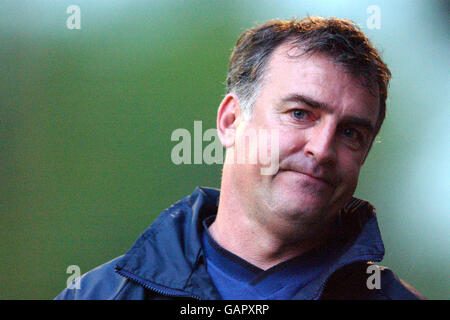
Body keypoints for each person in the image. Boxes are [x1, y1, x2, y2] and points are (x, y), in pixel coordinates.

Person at [55, 16, 426, 300]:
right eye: (300, 113)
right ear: (231, 121)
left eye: (351, 133)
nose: (322, 148)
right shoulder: (99, 294)